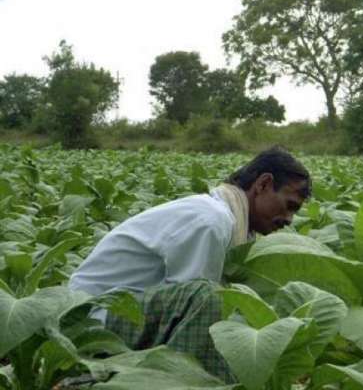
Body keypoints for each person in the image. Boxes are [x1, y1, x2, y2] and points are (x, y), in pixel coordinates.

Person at [68, 146, 311, 382]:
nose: (289, 220)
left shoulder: (230, 220)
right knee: (210, 300)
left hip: (124, 312)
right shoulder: (212, 220)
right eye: (290, 206)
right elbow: (197, 307)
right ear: (263, 184)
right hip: (92, 321)